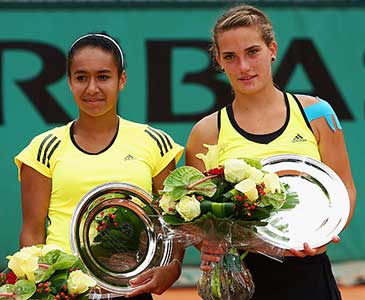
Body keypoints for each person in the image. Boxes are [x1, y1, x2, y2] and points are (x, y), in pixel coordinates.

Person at [185, 5, 356, 300]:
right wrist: (209, 245)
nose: (243, 67)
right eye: (230, 57)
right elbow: (199, 219)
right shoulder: (206, 131)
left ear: (272, 49)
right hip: (240, 277)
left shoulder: (317, 113)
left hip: (309, 272)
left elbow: (345, 189)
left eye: (253, 52)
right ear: (219, 61)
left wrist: (324, 234)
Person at [14, 32, 184, 299]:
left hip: (131, 289)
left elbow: (173, 221)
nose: (92, 88)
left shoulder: (155, 142)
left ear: (122, 80)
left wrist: (171, 267)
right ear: (69, 82)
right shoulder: (42, 148)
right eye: (81, 77)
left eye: (103, 76)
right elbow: (32, 232)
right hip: (65, 292)